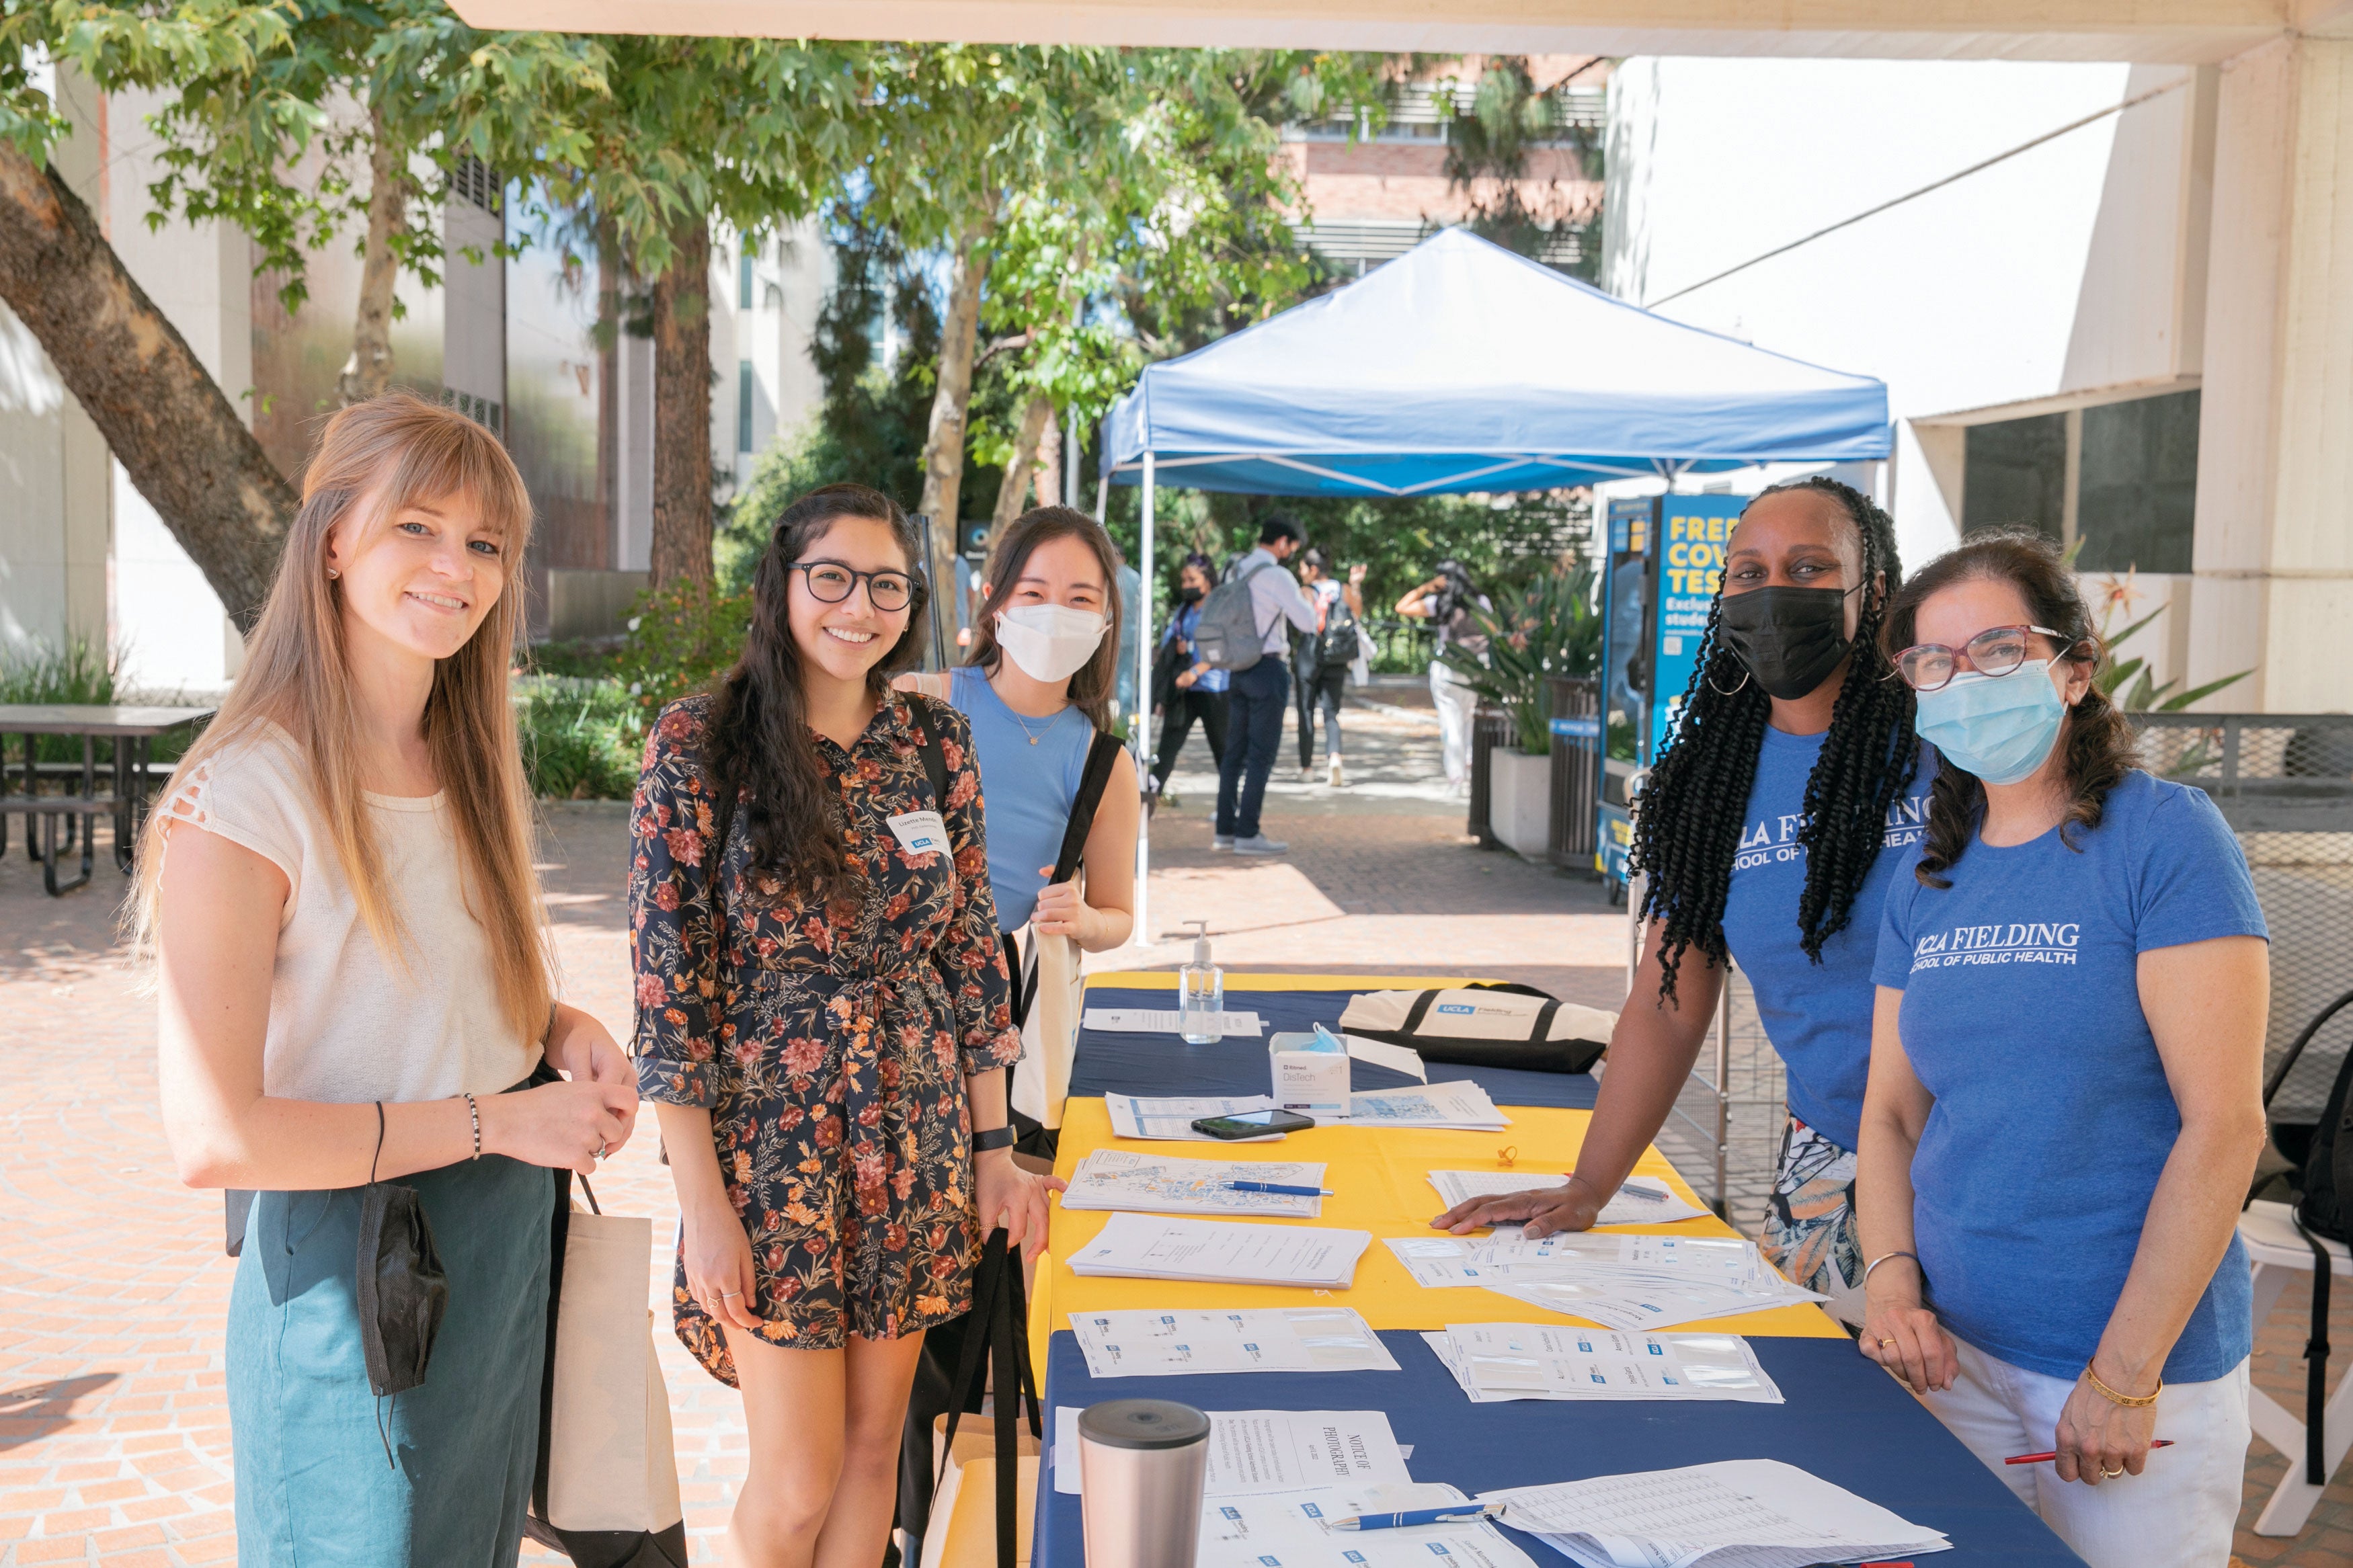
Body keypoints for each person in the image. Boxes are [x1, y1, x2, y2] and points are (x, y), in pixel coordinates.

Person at [141, 394, 641, 1566]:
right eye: (417, 525)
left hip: (499, 1256)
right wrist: (500, 1118)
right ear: (331, 539)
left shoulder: (460, 759)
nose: (453, 568)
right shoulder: (245, 795)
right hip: (358, 1287)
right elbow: (215, 1137)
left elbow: (442, 997)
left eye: (483, 544)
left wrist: (560, 1031)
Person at [631, 483, 1060, 1568]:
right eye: (832, 576)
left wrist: (993, 1148)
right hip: (774, 1151)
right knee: (795, 1477)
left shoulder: (933, 739)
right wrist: (704, 1207)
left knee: (878, 1451)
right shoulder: (699, 742)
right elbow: (670, 996)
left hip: (916, 1137)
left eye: (885, 584)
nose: (857, 607)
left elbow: (969, 953)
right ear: (781, 584)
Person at [1432, 477, 1930, 1329]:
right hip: (1832, 1164)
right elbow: (1666, 1006)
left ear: (1872, 588)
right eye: (1747, 571)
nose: (1774, 590)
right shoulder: (1707, 786)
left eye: (1809, 567)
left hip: (1993, 1161)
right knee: (1843, 1421)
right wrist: (1589, 1184)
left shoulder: (1947, 737)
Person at [1858, 531, 2266, 1568]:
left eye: (1998, 649)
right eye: (1933, 662)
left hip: (2130, 1376)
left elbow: (2226, 1124)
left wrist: (2125, 1373)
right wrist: (1895, 1287)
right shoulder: (1925, 879)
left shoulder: (2164, 837)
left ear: (2074, 669)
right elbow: (1893, 1113)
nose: (1963, 680)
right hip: (1955, 1361)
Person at [900, 505, 1140, 970]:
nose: (1055, 614)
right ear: (995, 602)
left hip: (985, 993)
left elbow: (1118, 915)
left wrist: (1085, 920)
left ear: (1106, 617)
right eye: (1034, 592)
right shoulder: (917, 701)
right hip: (868, 981)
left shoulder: (1104, 764)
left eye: (1081, 600)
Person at [1215, 513, 1320, 856]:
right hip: (1267, 667)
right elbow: (1307, 623)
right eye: (1291, 547)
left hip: (1236, 666)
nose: (1290, 553)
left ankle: (1225, 831)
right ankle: (1248, 833)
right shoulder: (1277, 575)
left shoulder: (1237, 568)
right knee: (1261, 755)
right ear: (1282, 543)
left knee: (1234, 754)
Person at [1396, 560, 1489, 794]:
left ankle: (1456, 780)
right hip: (1476, 667)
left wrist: (1426, 587)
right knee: (1469, 720)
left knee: (1451, 723)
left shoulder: (1439, 603)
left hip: (1446, 669)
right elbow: (1494, 632)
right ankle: (1469, 776)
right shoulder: (1481, 601)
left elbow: (1402, 607)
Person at [1148, 552, 1229, 804]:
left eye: (1192, 580)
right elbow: (1168, 647)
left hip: (1213, 690)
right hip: (1183, 693)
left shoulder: (1218, 608)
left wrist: (1194, 671)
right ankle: (1147, 806)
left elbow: (1223, 649)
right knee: (1166, 752)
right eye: (1184, 581)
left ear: (1208, 580)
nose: (1187, 586)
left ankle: (1230, 810)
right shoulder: (1183, 611)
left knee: (1223, 753)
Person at [1292, 548, 1365, 788]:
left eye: (1302, 568)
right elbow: (1357, 614)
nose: (1300, 573)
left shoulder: (1306, 591)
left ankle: (1307, 768)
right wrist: (1355, 586)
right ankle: (1334, 757)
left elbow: (1299, 621)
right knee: (1331, 713)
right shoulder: (1342, 590)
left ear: (1313, 570)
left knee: (1305, 712)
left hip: (1309, 656)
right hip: (1336, 657)